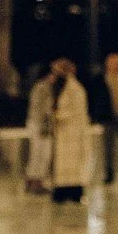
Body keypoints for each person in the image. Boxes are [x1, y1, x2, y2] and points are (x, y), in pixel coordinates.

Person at [48, 55, 90, 203]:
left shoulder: (76, 90)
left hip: (73, 133)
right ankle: (62, 192)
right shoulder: (60, 89)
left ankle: (73, 192)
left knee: (73, 166)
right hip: (62, 134)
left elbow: (77, 112)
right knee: (62, 166)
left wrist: (59, 115)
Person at [88, 51, 118, 185]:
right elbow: (95, 98)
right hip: (107, 117)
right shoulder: (100, 79)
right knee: (108, 147)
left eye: (117, 63)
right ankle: (109, 173)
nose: (114, 65)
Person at [24, 65, 54, 194]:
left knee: (39, 154)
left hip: (38, 124)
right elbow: (42, 108)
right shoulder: (42, 87)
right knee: (40, 154)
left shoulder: (41, 87)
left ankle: (34, 181)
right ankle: (36, 182)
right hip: (39, 125)